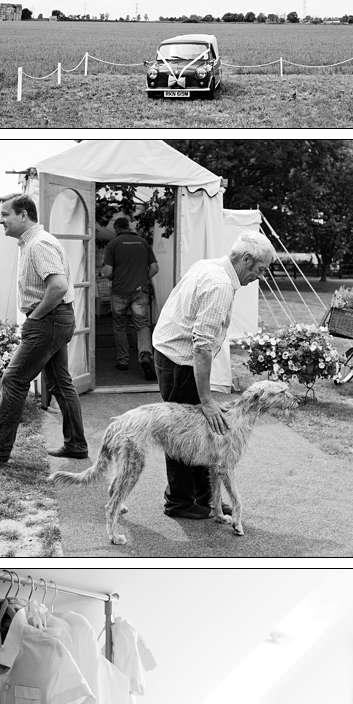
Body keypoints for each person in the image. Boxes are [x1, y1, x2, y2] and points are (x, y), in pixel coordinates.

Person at [147, 232, 275, 520]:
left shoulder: (209, 265)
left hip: (169, 353)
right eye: (260, 269)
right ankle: (179, 502)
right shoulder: (220, 285)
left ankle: (207, 499)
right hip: (179, 363)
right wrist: (206, 399)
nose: (261, 276)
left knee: (202, 433)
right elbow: (202, 348)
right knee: (183, 435)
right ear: (245, 260)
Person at [0, 194, 87, 464]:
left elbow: (58, 287)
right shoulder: (33, 242)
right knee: (59, 383)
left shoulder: (39, 244)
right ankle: (76, 444)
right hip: (56, 319)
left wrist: (34, 318)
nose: (1, 220)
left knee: (14, 380)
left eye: (5, 214)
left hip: (49, 320)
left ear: (23, 215)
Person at [101, 215, 159, 380]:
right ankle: (146, 355)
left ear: (116, 229)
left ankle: (123, 361)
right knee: (142, 326)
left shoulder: (113, 244)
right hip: (140, 291)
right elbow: (155, 267)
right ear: (128, 227)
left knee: (119, 326)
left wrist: (112, 277)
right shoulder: (143, 242)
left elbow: (109, 272)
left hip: (119, 292)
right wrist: (143, 278)